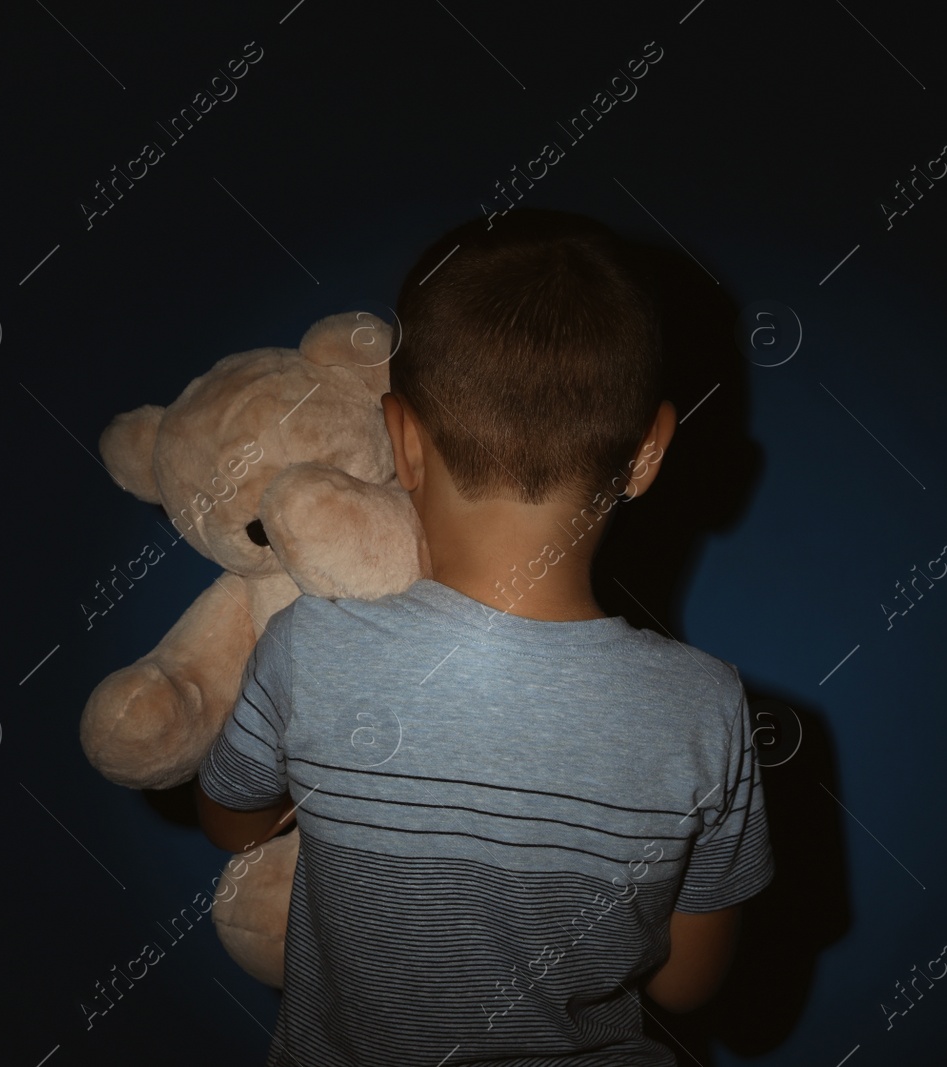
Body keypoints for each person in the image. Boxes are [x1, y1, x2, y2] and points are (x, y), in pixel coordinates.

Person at [194, 208, 773, 1066]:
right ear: (649, 451)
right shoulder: (707, 709)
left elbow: (229, 826)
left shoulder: (309, 646)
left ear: (403, 441)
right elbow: (689, 984)